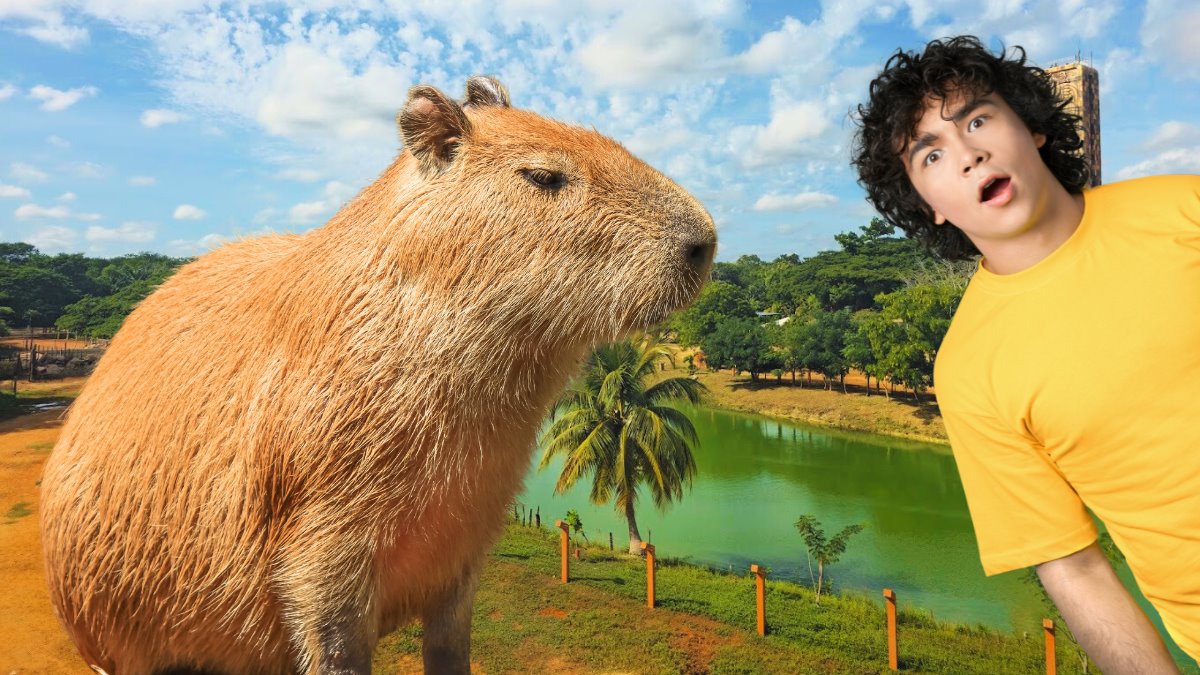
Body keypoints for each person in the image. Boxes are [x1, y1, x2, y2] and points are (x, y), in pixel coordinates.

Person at [851, 35, 1200, 674]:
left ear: (1032, 130)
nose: (969, 153)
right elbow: (1073, 565)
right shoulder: (967, 370)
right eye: (931, 153)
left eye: (978, 120)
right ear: (927, 206)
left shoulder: (1185, 207)